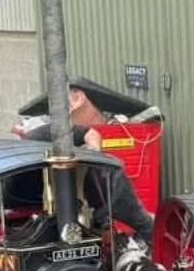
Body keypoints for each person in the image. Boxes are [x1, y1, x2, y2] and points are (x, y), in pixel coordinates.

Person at [14, 84, 157, 243]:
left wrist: (94, 153)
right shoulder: (19, 170)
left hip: (100, 185)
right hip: (61, 201)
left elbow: (91, 133)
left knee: (138, 220)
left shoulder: (51, 132)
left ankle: (153, 241)